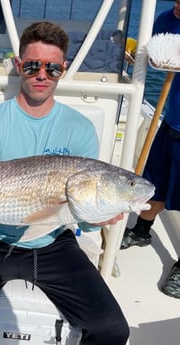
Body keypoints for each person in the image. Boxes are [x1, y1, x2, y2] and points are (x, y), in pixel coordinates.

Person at [0, 21, 129, 345]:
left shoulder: (79, 130)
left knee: (112, 330)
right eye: (33, 65)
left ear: (62, 70)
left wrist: (97, 220)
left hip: (54, 242)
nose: (41, 75)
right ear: (20, 65)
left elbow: (85, 218)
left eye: (52, 69)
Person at [121, 0, 180, 299]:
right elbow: (157, 52)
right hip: (172, 121)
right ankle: (142, 232)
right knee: (154, 184)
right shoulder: (166, 19)